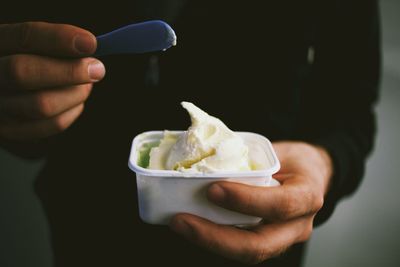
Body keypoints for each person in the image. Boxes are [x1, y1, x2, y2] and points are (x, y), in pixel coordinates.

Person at [0, 1, 380, 266]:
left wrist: (325, 162)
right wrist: (18, 110)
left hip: (255, 236)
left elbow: (352, 106)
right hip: (91, 227)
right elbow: (20, 78)